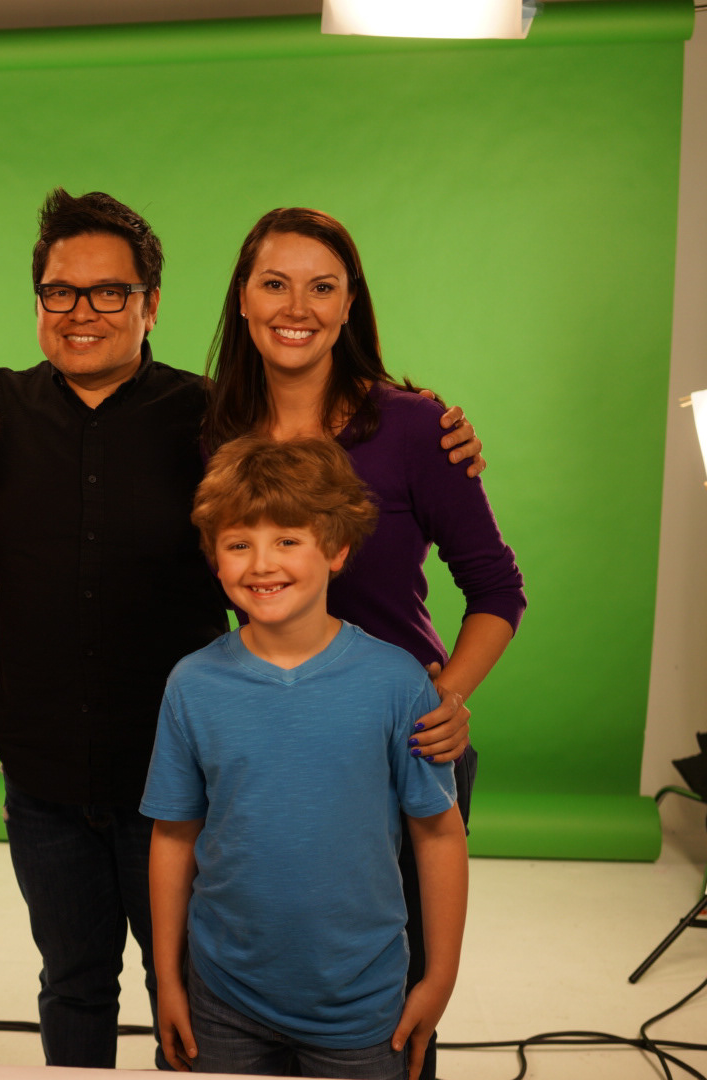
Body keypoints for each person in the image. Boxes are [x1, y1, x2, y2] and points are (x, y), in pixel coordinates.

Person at [0, 189, 484, 1069]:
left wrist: (433, 424)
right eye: (61, 292)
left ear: (151, 305)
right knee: (82, 982)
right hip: (69, 762)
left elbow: (337, 469)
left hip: (273, 747)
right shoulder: (0, 411)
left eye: (110, 292)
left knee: (291, 980)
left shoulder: (211, 417)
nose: (83, 310)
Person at [202, 207, 525, 1078]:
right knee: (271, 963)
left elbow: (497, 589)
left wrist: (447, 697)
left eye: (322, 287)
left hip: (400, 743)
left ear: (350, 305)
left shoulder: (417, 428)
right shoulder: (212, 432)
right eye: (274, 283)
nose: (296, 306)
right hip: (269, 741)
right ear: (242, 299)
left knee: (397, 1005)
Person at [145, 435, 468, 1080]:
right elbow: (174, 835)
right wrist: (168, 981)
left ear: (337, 548)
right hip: (222, 1001)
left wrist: (439, 979)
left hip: (361, 1007)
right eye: (239, 544)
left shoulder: (397, 682)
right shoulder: (191, 685)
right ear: (214, 558)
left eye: (287, 539)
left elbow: (437, 834)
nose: (262, 563)